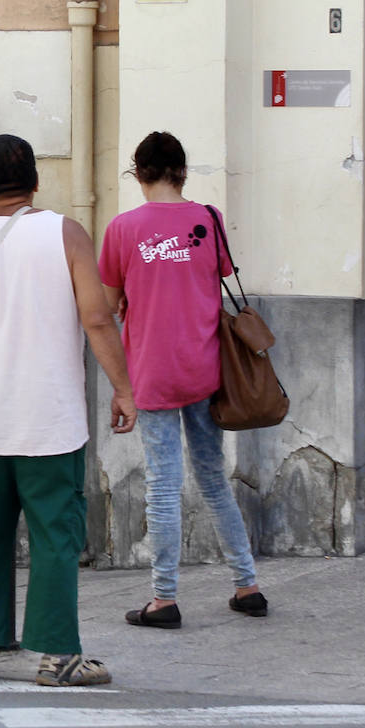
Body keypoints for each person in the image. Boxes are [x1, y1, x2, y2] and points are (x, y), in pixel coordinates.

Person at [0, 134, 136, 687]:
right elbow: (97, 319)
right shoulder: (67, 234)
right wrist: (123, 388)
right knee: (55, 536)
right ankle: (58, 656)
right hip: (51, 418)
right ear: (36, 183)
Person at [99, 131, 267, 628]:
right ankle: (247, 585)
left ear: (138, 172)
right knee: (213, 477)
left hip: (152, 371)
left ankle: (164, 599)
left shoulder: (122, 228)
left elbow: (108, 304)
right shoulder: (207, 219)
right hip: (204, 367)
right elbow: (216, 278)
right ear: (183, 172)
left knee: (163, 485)